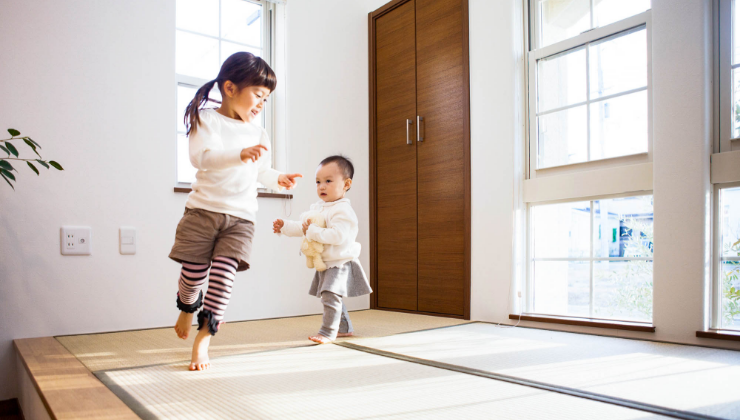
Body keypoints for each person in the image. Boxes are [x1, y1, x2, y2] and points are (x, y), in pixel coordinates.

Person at [169, 52, 302, 371]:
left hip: (241, 217)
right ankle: (187, 305)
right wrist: (238, 154)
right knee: (194, 275)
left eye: (266, 99)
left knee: (224, 275)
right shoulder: (207, 119)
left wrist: (278, 178)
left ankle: (205, 337)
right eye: (258, 94)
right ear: (230, 88)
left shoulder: (258, 132)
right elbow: (202, 157)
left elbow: (261, 171)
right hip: (202, 212)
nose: (261, 104)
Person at [273, 155, 372, 344]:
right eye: (318, 182)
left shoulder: (343, 211)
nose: (322, 186)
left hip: (340, 262)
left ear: (346, 184)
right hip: (327, 263)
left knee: (329, 295)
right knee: (331, 295)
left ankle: (328, 331)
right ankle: (343, 328)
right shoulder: (318, 207)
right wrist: (284, 226)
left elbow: (337, 236)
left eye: (328, 181)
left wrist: (313, 230)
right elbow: (304, 228)